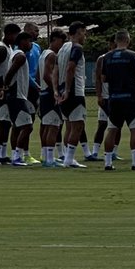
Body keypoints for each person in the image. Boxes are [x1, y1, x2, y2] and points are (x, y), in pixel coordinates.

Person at [100, 30, 135, 170]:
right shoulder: (132, 55)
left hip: (114, 98)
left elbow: (103, 78)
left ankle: (108, 163)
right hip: (130, 97)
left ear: (115, 41)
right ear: (127, 40)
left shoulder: (107, 57)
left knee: (112, 130)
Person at [0, 32, 36, 167]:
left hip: (16, 95)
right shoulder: (20, 56)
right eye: (29, 41)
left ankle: (16, 155)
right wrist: (6, 87)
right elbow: (10, 74)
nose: (31, 44)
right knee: (28, 126)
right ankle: (17, 156)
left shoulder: (16, 54)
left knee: (17, 127)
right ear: (22, 42)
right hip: (17, 96)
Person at [57, 21, 89, 169]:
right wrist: (69, 90)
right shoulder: (77, 48)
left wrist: (58, 90)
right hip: (74, 91)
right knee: (78, 125)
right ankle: (69, 159)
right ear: (76, 33)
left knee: (69, 126)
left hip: (63, 89)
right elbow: (71, 68)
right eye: (83, 32)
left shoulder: (62, 48)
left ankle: (67, 157)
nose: (85, 36)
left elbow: (56, 70)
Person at [0, 21, 20, 165]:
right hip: (2, 89)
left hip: (6, 88)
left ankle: (2, 154)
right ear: (9, 34)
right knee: (2, 122)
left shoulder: (8, 47)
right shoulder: (2, 49)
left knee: (7, 122)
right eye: (16, 35)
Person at [38, 28, 67, 167]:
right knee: (53, 126)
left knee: (46, 126)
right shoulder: (52, 55)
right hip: (49, 94)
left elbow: (39, 76)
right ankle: (49, 159)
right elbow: (46, 75)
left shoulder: (43, 53)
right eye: (61, 42)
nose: (62, 45)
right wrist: (55, 91)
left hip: (43, 93)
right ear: (55, 39)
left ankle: (46, 156)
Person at [89, 36, 117, 161]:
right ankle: (95, 151)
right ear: (110, 44)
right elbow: (97, 78)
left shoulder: (125, 56)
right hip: (106, 96)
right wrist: (99, 95)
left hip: (118, 96)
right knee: (102, 124)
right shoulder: (103, 58)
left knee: (117, 125)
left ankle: (114, 152)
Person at [21, 22, 43, 164]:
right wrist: (36, 86)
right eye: (36, 30)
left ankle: (44, 153)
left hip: (37, 88)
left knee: (37, 120)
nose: (38, 33)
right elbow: (26, 72)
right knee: (26, 123)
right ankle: (24, 153)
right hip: (28, 89)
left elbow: (39, 68)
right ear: (28, 31)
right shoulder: (23, 50)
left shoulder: (37, 47)